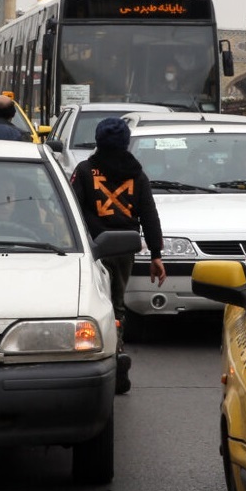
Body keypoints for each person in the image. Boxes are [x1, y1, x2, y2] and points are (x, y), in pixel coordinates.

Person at [70, 117, 166, 394]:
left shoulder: (86, 171)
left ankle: (98, 353)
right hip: (125, 247)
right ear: (126, 142)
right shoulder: (136, 174)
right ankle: (117, 349)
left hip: (93, 247)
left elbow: (73, 208)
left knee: (92, 301)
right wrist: (156, 255)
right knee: (117, 303)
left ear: (98, 141)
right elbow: (149, 214)